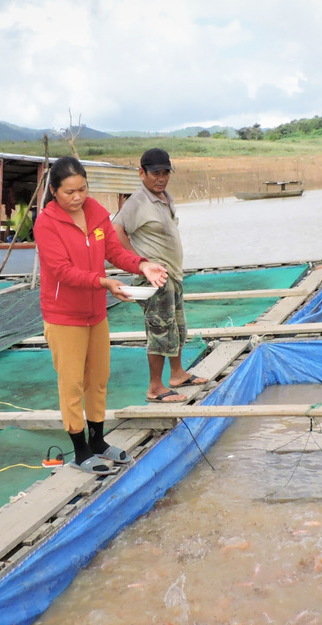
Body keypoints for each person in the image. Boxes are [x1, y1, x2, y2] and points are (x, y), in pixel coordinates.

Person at [35, 156, 168, 475]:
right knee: (72, 383)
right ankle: (80, 452)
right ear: (53, 191)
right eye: (69, 192)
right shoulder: (46, 223)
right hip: (64, 316)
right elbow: (62, 272)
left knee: (98, 379)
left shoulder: (95, 212)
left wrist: (141, 264)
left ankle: (98, 442)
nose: (78, 197)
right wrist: (105, 282)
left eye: (82, 189)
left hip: (95, 312)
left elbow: (114, 251)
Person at [113, 148, 208, 403]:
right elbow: (116, 230)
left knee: (176, 327)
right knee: (159, 330)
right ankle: (155, 388)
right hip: (153, 280)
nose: (161, 178)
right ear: (142, 172)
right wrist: (139, 262)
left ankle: (177, 374)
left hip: (171, 276)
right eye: (156, 173)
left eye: (166, 172)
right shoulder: (137, 201)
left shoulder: (165, 197)